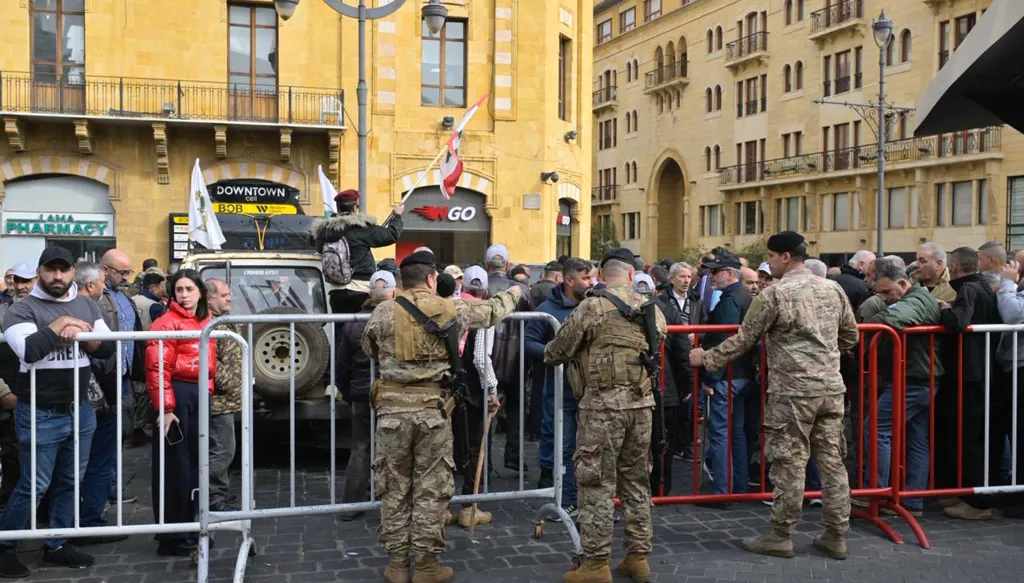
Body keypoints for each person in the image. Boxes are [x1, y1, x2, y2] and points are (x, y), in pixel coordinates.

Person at [690, 231, 858, 560]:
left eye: (770, 256)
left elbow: (744, 339)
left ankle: (781, 535)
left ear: (785, 257)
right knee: (833, 463)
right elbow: (850, 335)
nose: (768, 263)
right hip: (830, 388)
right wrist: (822, 354)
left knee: (789, 464)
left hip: (792, 392)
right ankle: (837, 535)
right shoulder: (832, 288)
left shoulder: (775, 294)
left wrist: (706, 358)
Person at [361, 250, 522, 583]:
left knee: (394, 489)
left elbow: (369, 348)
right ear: (432, 278)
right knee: (430, 490)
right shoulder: (451, 308)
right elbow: (491, 312)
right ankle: (426, 566)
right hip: (433, 412)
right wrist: (514, 292)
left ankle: (397, 565)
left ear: (402, 280)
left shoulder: (383, 311)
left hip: (391, 413)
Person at [544, 248, 666, 583]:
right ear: (632, 274)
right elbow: (659, 339)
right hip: (641, 406)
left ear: (600, 274)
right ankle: (638, 558)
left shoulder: (592, 306)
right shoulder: (651, 308)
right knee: (637, 482)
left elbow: (556, 351)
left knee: (596, 484)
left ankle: (596, 564)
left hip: (601, 408)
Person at [0, 247, 114, 577]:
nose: (58, 276)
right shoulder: (22, 309)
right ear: (40, 272)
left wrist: (84, 335)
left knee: (70, 481)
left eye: (64, 270)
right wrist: (61, 323)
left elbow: (107, 347)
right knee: (33, 485)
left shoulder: (87, 304)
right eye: (51, 270)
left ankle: (56, 544)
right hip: (39, 411)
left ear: (72, 271)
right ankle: (5, 546)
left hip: (80, 410)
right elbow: (30, 350)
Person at [860, 259, 943, 517]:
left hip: (913, 380)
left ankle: (877, 492)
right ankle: (912, 500)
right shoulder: (918, 297)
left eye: (887, 292)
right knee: (916, 438)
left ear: (904, 284)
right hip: (919, 378)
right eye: (880, 293)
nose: (884, 298)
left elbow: (895, 317)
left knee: (875, 429)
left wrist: (867, 326)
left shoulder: (915, 301)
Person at [145, 269, 216, 557]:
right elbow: (157, 368)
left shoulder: (206, 319)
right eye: (179, 290)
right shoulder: (165, 323)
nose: (184, 295)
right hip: (176, 395)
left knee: (195, 464)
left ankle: (191, 527)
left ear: (200, 291)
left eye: (189, 289)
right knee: (175, 466)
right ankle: (173, 535)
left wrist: (207, 389)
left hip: (197, 394)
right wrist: (166, 408)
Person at [525, 258, 595, 520]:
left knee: (594, 449)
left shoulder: (596, 305)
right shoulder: (546, 310)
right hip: (561, 391)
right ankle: (567, 501)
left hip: (593, 391)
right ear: (568, 280)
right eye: (586, 278)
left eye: (592, 277)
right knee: (564, 448)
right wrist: (554, 353)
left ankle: (593, 504)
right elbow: (528, 342)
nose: (591, 283)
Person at [936, 247, 1000, 521]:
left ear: (953, 266)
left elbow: (959, 322)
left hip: (969, 373)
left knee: (966, 437)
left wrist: (944, 310)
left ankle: (975, 501)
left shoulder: (969, 289)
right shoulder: (984, 286)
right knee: (969, 436)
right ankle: (964, 493)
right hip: (981, 371)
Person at [338, 271, 396, 522]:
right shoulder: (398, 319)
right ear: (393, 292)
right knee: (394, 448)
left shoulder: (353, 322)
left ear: (370, 293)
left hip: (361, 392)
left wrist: (349, 391)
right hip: (390, 391)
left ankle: (352, 505)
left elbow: (342, 363)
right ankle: (393, 505)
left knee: (360, 447)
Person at [700, 250, 756, 503]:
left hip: (728, 376)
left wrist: (711, 377)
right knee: (736, 433)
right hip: (741, 375)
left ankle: (722, 491)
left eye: (716, 272)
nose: (711, 276)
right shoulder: (741, 296)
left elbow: (725, 340)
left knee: (721, 434)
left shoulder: (732, 299)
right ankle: (738, 486)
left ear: (730, 273)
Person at [311, 188, 405, 315]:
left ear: (338, 208)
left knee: (339, 326)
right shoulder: (361, 228)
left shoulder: (325, 231)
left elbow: (318, 248)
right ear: (355, 207)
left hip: (336, 291)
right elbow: (391, 234)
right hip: (360, 289)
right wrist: (397, 216)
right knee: (360, 325)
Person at [485, 244, 532, 472]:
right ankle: (513, 455)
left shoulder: (481, 286)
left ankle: (484, 462)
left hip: (486, 357)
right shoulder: (521, 289)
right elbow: (533, 322)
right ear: (507, 265)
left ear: (487, 265)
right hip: (516, 358)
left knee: (485, 410)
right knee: (516, 408)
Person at [204, 279, 242, 513]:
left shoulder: (224, 321)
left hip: (226, 399)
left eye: (229, 294)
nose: (229, 298)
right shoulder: (207, 324)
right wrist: (230, 382)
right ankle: (212, 497)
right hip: (217, 400)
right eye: (224, 295)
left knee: (224, 448)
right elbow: (209, 362)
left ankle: (219, 492)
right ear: (209, 299)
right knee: (222, 449)